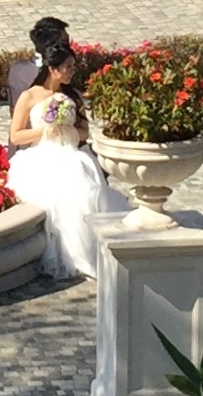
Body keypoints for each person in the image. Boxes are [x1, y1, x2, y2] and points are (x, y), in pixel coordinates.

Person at [7, 39, 128, 279]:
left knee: (86, 190)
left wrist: (67, 129)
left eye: (73, 66)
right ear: (53, 69)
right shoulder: (29, 96)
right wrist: (46, 130)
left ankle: (90, 251)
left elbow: (84, 131)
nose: (72, 71)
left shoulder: (71, 95)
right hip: (41, 155)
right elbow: (16, 135)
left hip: (70, 152)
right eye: (68, 67)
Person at [7, 16, 71, 152]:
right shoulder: (61, 74)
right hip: (32, 151)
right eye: (65, 43)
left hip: (24, 149)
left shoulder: (16, 69)